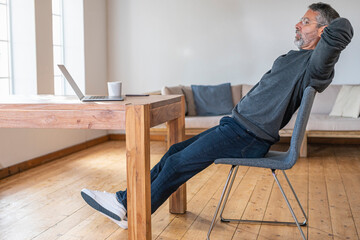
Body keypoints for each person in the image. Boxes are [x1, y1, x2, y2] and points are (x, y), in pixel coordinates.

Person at [80, 2, 353, 230]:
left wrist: (329, 28)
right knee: (174, 151)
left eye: (305, 22)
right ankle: (124, 202)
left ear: (322, 30)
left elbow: (342, 29)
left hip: (248, 136)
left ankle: (133, 214)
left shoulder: (317, 66)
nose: (297, 25)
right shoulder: (295, 57)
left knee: (177, 164)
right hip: (235, 126)